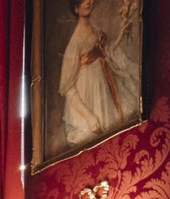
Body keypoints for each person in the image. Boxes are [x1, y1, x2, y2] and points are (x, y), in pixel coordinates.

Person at [59, 0, 140, 146]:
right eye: (82, 1)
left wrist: (121, 34)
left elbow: (105, 53)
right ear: (76, 9)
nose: (88, 2)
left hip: (104, 88)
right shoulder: (75, 42)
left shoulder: (95, 30)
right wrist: (88, 116)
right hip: (89, 96)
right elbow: (68, 88)